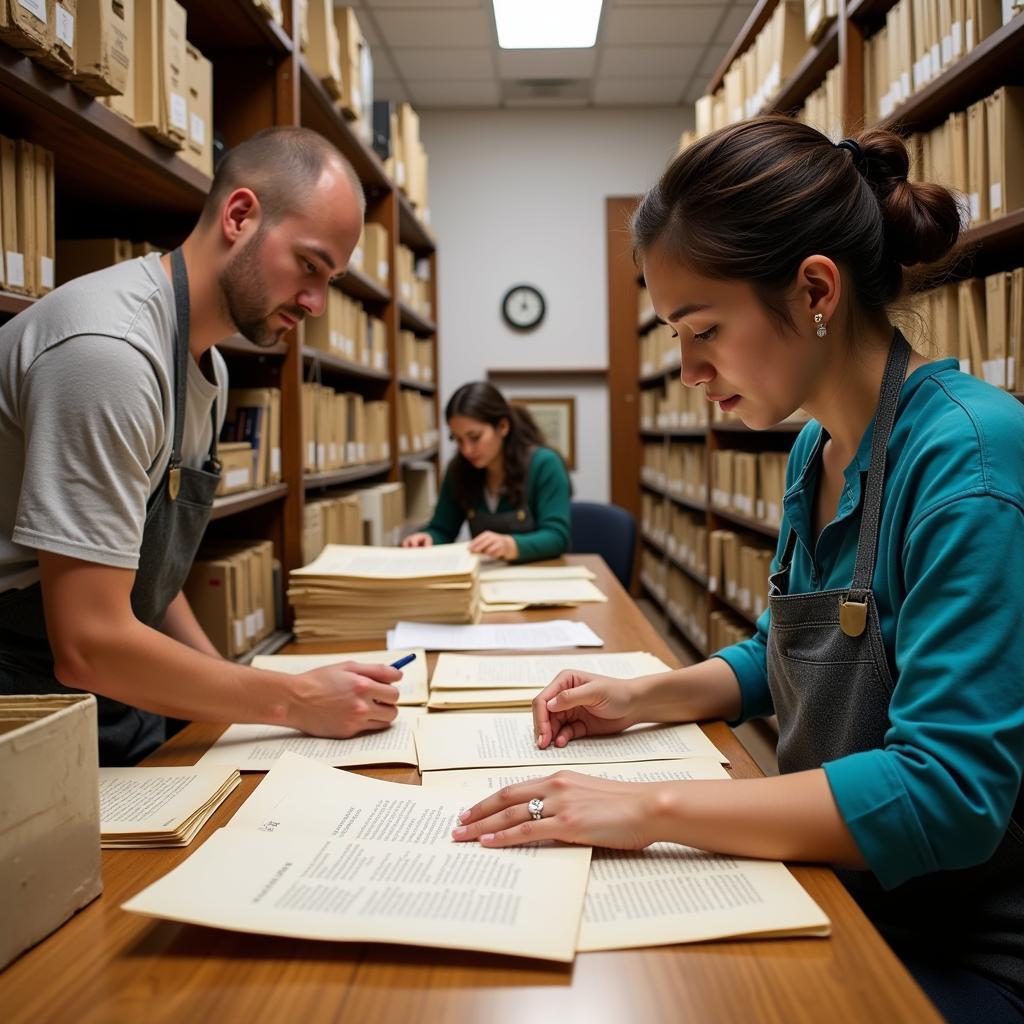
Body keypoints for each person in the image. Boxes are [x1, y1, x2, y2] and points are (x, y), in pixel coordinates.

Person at [451, 117, 1024, 1023]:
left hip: (951, 949)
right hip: (831, 890)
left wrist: (649, 809)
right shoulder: (815, 451)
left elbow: (946, 790)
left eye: (703, 327)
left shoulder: (968, 461)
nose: (685, 368)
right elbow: (786, 649)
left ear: (814, 291)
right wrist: (643, 698)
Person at [0, 127, 402, 767]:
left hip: (108, 691)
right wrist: (290, 699)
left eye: (331, 279)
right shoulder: (112, 354)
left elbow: (144, 576)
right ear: (239, 215)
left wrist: (227, 704)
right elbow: (88, 643)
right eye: (308, 265)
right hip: (25, 699)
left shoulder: (206, 367)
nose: (317, 303)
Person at [402, 381, 571, 562]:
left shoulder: (544, 464)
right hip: (484, 577)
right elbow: (443, 529)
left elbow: (557, 537)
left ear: (503, 427)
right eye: (458, 440)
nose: (466, 450)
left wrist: (511, 545)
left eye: (475, 438)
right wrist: (428, 538)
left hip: (538, 576)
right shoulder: (459, 469)